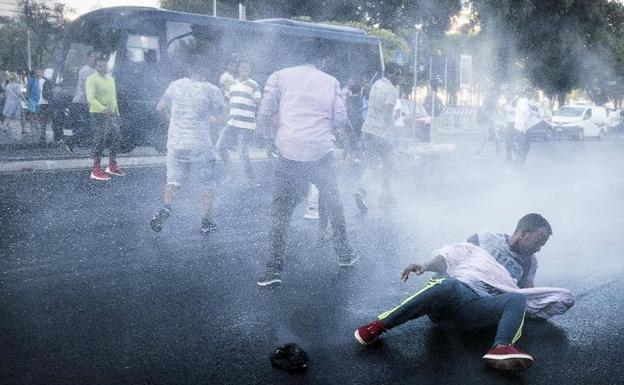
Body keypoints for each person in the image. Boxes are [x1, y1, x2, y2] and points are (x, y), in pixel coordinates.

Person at [354, 214, 560, 372]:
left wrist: (545, 303)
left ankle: (501, 347)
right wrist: (425, 266)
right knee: (448, 284)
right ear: (524, 232)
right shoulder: (486, 238)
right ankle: (378, 326)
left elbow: (528, 292)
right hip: (454, 295)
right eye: (539, 241)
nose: (539, 248)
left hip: (479, 309)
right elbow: (455, 256)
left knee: (517, 298)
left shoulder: (530, 262)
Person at [255, 43, 357, 287]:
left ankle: (273, 270)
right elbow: (340, 118)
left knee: (280, 211)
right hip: (321, 152)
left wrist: (269, 139)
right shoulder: (331, 81)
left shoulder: (279, 77)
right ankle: (345, 255)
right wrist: (323, 130)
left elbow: (265, 113)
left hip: (289, 150)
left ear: (295, 57)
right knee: (334, 204)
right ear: (319, 60)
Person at [150, 60, 227, 234]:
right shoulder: (212, 90)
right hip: (200, 143)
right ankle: (206, 222)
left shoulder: (175, 85)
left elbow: (160, 108)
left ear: (189, 68)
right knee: (208, 183)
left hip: (176, 142)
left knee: (173, 180)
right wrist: (210, 119)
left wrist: (172, 122)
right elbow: (223, 119)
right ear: (206, 69)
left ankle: (166, 208)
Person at [353, 64, 402, 213]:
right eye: (397, 74)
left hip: (367, 130)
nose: (399, 77)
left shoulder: (376, 84)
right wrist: (395, 133)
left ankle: (362, 191)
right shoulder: (392, 90)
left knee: (372, 164)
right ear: (388, 73)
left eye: (400, 74)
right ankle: (385, 196)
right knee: (389, 164)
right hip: (381, 133)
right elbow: (388, 115)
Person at [216, 61, 261, 186]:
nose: (244, 69)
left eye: (247, 67)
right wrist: (223, 118)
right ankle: (231, 174)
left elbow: (258, 103)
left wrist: (257, 120)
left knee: (242, 152)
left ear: (250, 70)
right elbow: (225, 103)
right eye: (242, 67)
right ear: (239, 69)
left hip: (246, 125)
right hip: (231, 122)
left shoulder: (254, 85)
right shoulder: (231, 84)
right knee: (219, 147)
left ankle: (251, 180)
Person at [85, 55, 125, 181]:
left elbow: (113, 98)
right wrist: (103, 109)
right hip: (98, 114)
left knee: (116, 137)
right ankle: (96, 169)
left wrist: (117, 113)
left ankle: (112, 165)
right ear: (96, 66)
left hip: (112, 114)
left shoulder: (110, 79)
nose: (103, 67)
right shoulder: (91, 79)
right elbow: (90, 99)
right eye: (100, 65)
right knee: (100, 139)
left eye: (105, 65)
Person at [69, 50, 98, 153]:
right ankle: (72, 142)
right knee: (87, 124)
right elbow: (85, 86)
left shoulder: (94, 71)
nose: (95, 59)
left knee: (90, 124)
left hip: (87, 102)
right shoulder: (86, 70)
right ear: (88, 58)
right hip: (81, 102)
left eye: (96, 57)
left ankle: (88, 146)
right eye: (93, 57)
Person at [475, 94, 502, 159]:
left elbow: (497, 112)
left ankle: (498, 152)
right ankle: (478, 153)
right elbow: (483, 110)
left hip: (491, 122)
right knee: (486, 138)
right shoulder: (488, 102)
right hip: (486, 122)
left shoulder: (494, 103)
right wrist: (490, 118)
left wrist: (503, 119)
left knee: (497, 137)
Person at [1, 72, 26, 141]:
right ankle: (17, 136)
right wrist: (24, 99)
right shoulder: (18, 85)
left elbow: (6, 95)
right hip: (16, 104)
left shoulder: (7, 86)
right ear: (16, 78)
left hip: (8, 103)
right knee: (16, 119)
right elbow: (20, 94)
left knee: (8, 117)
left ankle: (4, 127)